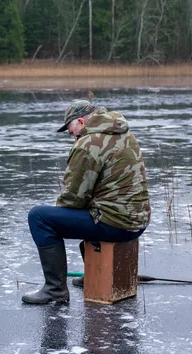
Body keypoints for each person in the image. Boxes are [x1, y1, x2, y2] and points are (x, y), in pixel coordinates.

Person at [21, 99, 151, 305]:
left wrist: (59, 217)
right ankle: (93, 274)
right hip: (138, 223)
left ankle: (55, 290)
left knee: (39, 217)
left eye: (71, 130)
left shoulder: (87, 144)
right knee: (85, 214)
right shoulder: (124, 133)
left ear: (81, 122)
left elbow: (73, 198)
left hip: (116, 225)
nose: (72, 135)